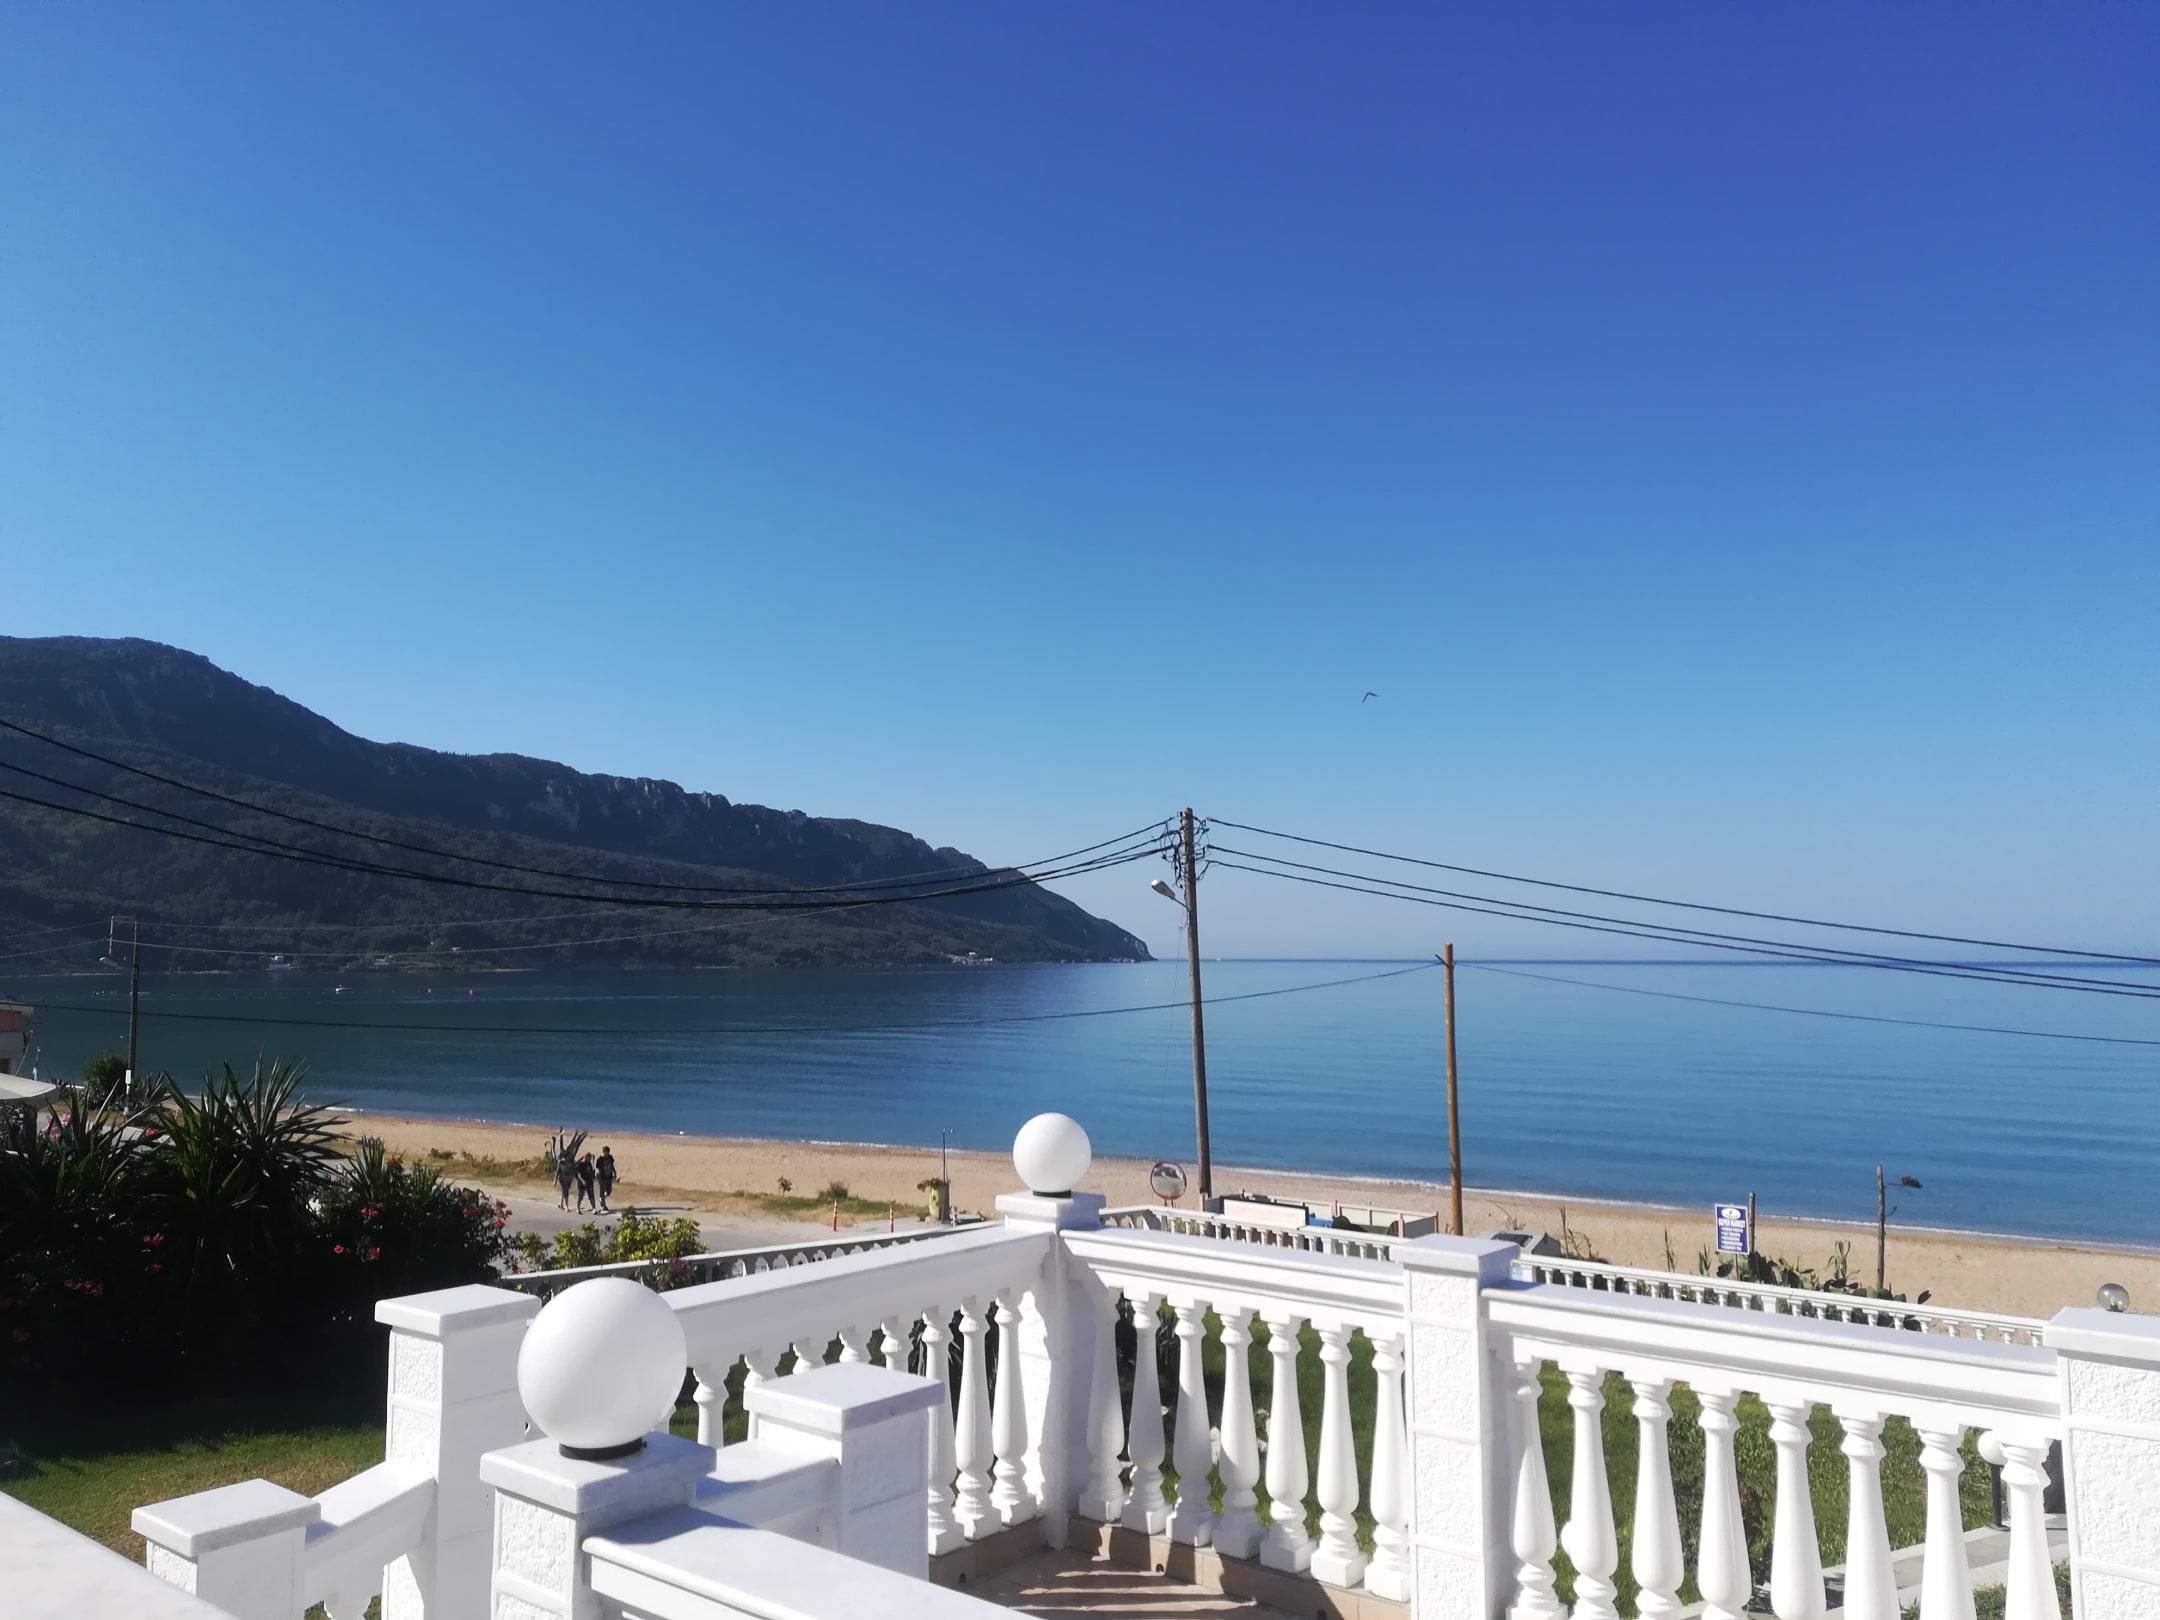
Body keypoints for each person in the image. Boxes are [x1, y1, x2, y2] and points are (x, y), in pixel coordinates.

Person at [596, 1147, 618, 1212]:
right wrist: (599, 1178)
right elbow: (598, 1169)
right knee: (602, 1191)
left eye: (608, 1153)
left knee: (608, 1191)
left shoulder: (610, 1157)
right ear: (604, 1152)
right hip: (602, 1177)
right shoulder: (600, 1159)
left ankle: (602, 1198)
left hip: (609, 1176)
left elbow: (612, 1165)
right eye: (607, 1153)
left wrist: (614, 1173)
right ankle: (604, 1206)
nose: (608, 1154)